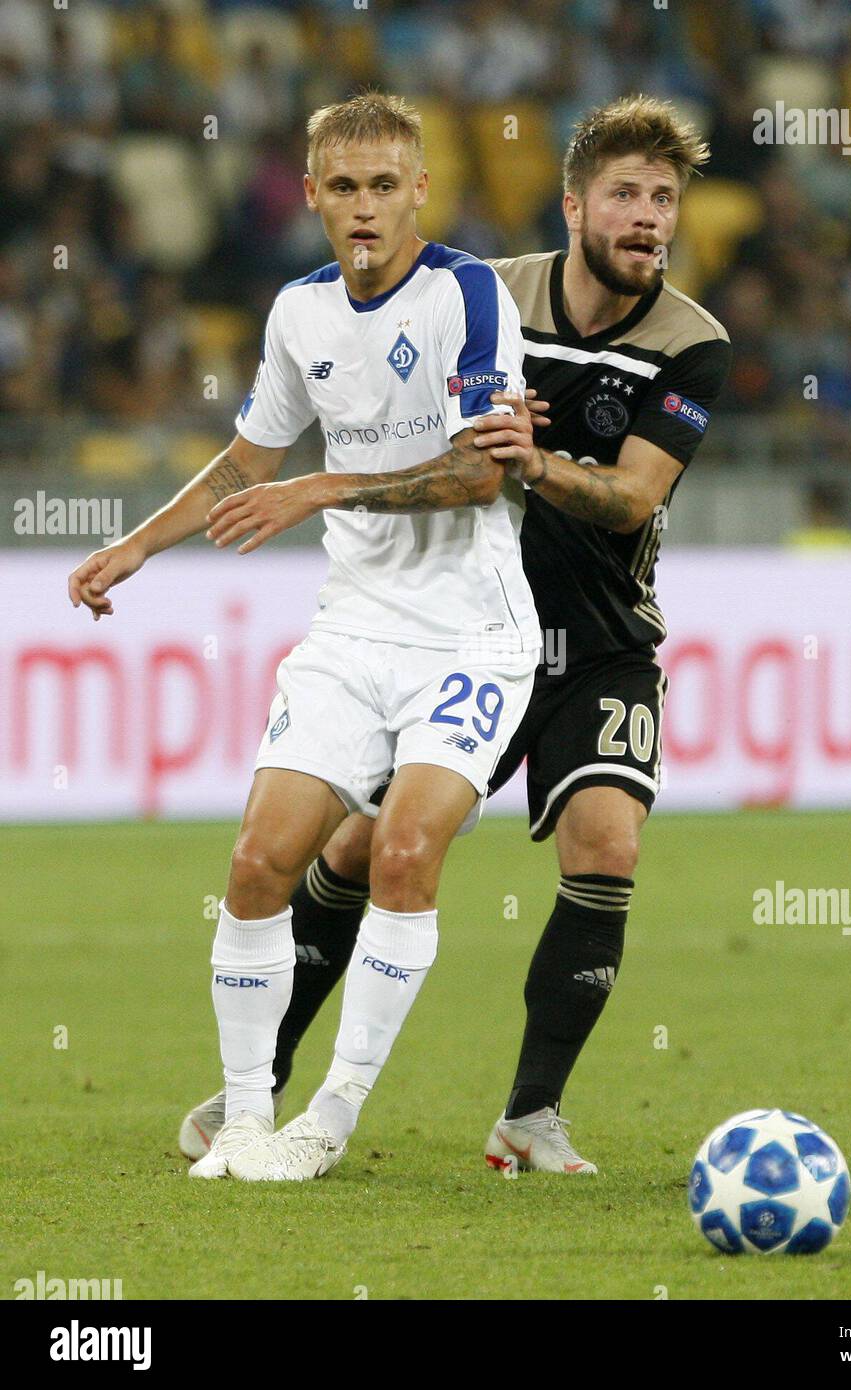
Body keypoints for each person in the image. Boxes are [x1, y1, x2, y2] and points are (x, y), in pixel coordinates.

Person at [179, 94, 732, 1177]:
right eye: (625, 194)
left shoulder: (691, 344)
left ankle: (530, 1112)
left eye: (664, 200)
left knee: (606, 841)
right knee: (350, 850)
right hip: (460, 625)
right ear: (574, 204)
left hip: (600, 636)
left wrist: (534, 465)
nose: (647, 218)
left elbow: (629, 499)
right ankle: (264, 1084)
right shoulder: (484, 294)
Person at [69, 92, 544, 1183]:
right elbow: (248, 460)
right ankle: (243, 1118)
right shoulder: (298, 314)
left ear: (420, 187)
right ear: (314, 195)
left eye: (386, 185)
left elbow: (485, 468)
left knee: (405, 850)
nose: (365, 207)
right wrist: (135, 546)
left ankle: (327, 1115)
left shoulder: (465, 296)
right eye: (343, 187)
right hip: (352, 633)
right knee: (255, 863)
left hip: (470, 637)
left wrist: (325, 483)